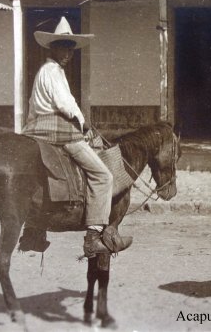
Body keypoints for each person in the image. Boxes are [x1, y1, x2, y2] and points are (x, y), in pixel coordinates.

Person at [19, 16, 133, 256]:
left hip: (36, 128)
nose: (68, 54)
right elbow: (65, 103)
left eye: (71, 49)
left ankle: (33, 230)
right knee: (103, 175)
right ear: (54, 48)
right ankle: (93, 237)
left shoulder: (45, 72)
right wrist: (82, 122)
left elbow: (35, 105)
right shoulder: (53, 72)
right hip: (58, 129)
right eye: (64, 48)